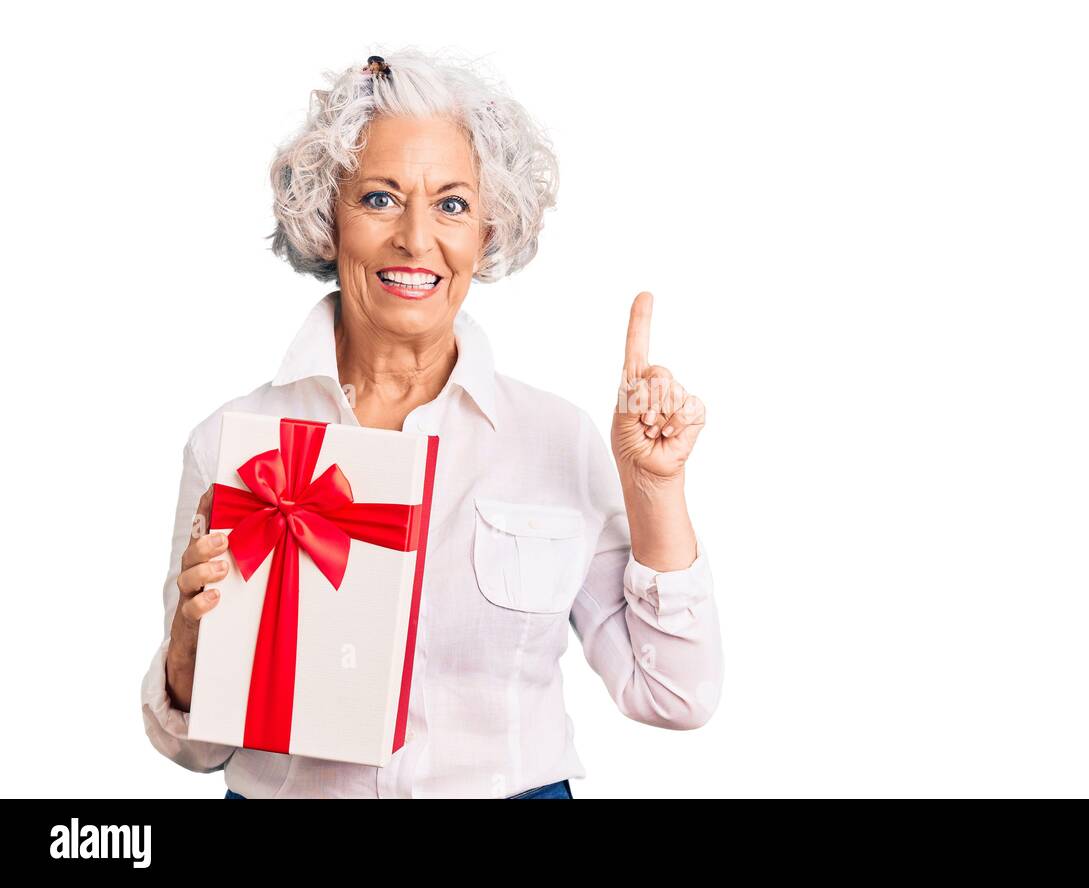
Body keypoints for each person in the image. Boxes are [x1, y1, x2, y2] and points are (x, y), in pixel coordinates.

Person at [140, 49, 723, 798]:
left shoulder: (558, 437)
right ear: (329, 218)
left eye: (451, 204)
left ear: (486, 231)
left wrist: (655, 491)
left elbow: (675, 695)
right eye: (380, 198)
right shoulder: (235, 437)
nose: (417, 239)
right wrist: (191, 644)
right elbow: (194, 750)